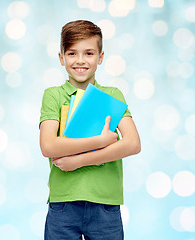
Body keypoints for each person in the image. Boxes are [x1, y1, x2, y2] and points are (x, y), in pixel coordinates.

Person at [39, 20, 141, 240]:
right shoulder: (54, 95)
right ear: (61, 58)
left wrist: (77, 160)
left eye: (89, 53)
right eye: (72, 53)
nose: (80, 61)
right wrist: (102, 140)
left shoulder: (112, 95)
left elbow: (133, 144)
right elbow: (48, 146)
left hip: (105, 205)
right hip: (63, 204)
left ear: (100, 57)